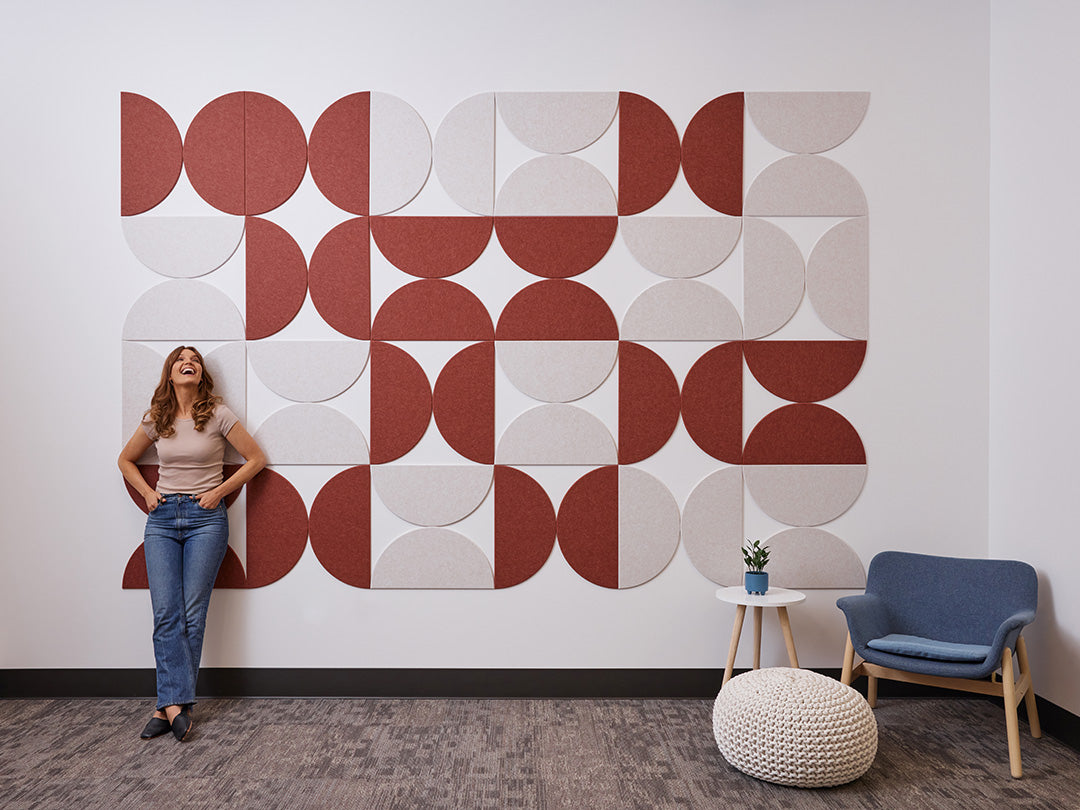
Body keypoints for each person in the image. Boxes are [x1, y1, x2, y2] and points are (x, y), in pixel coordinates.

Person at [118, 346, 266, 742]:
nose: (190, 362)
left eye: (196, 360)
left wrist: (219, 492)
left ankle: (165, 705)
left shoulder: (217, 414)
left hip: (206, 520)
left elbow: (255, 459)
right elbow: (125, 460)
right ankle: (175, 706)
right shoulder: (157, 418)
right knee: (166, 613)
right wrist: (148, 494)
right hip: (162, 520)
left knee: (191, 613)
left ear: (200, 374)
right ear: (171, 373)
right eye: (182, 359)